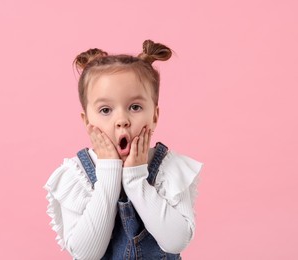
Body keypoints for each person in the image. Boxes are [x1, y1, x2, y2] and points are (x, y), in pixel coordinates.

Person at [44, 40, 202, 260]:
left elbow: (175, 241)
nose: (122, 120)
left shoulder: (169, 169)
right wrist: (109, 173)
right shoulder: (76, 175)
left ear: (154, 117)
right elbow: (85, 254)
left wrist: (136, 179)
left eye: (135, 107)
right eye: (106, 110)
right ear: (87, 121)